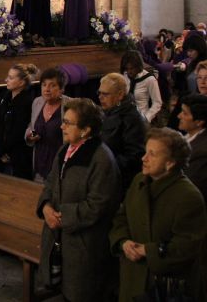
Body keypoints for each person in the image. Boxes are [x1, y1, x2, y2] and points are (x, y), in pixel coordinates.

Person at [37, 98, 121, 301]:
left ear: (85, 130)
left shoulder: (101, 159)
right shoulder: (65, 149)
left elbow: (99, 205)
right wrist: (46, 207)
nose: (61, 126)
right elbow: (50, 181)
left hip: (85, 244)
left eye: (68, 122)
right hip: (61, 237)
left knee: (81, 293)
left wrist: (62, 216)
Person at [110, 128, 207, 302]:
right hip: (132, 278)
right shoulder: (139, 180)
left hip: (164, 288)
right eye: (145, 152)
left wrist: (148, 250)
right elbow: (121, 217)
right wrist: (123, 242)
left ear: (170, 163)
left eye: (152, 154)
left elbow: (188, 247)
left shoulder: (189, 197)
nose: (143, 158)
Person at [98, 73, 147, 191]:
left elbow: (134, 155)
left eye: (105, 94)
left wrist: (105, 166)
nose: (100, 97)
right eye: (99, 93)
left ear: (120, 95)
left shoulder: (132, 119)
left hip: (121, 181)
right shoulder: (108, 111)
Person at [25, 68, 70, 183]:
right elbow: (32, 126)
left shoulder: (70, 105)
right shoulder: (37, 102)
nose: (47, 89)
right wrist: (31, 135)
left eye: (52, 85)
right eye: (44, 85)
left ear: (61, 89)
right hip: (39, 161)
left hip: (59, 163)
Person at [0, 63, 36, 179]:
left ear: (21, 82)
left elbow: (19, 132)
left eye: (11, 78)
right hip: (1, 153)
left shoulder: (26, 102)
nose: (6, 80)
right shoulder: (5, 96)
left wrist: (5, 151)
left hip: (17, 156)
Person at [121, 51, 162, 124]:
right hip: (126, 117)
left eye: (132, 68)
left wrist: (147, 118)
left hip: (141, 118)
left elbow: (157, 103)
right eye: (127, 69)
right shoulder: (125, 75)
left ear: (138, 66)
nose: (129, 72)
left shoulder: (149, 79)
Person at [179, 95, 207, 200]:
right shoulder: (185, 137)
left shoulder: (202, 152)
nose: (179, 116)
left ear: (199, 122)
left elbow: (189, 188)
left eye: (184, 113)